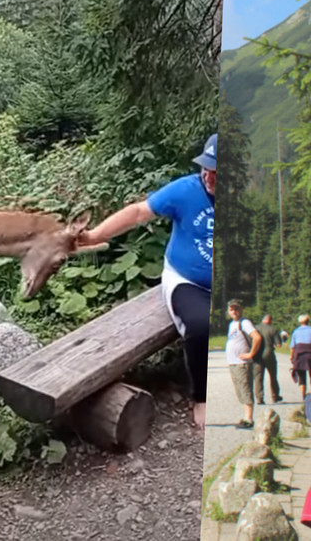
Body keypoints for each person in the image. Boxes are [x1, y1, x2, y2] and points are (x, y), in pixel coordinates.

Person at [78, 134, 215, 428]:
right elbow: (139, 212)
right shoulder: (186, 190)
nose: (208, 176)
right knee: (201, 325)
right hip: (187, 280)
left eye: (217, 172)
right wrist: (93, 236)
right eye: (206, 167)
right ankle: (202, 397)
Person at [225, 299, 262, 429]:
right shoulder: (232, 324)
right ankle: (246, 416)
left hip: (242, 363)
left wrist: (251, 354)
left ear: (241, 310)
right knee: (240, 390)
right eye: (231, 309)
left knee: (245, 390)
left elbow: (257, 337)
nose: (234, 311)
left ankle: (249, 419)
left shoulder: (245, 322)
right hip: (234, 363)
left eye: (236, 309)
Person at [254, 314, 283, 405]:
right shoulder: (273, 330)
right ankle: (275, 396)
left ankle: (259, 398)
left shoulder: (255, 328)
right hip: (269, 354)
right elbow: (278, 344)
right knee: (273, 376)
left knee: (258, 377)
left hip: (257, 355)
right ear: (270, 321)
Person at [291, 315, 311, 398]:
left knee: (302, 376)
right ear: (308, 321)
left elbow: (292, 347)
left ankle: (303, 394)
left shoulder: (296, 331)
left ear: (299, 322)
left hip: (300, 355)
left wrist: (292, 357)